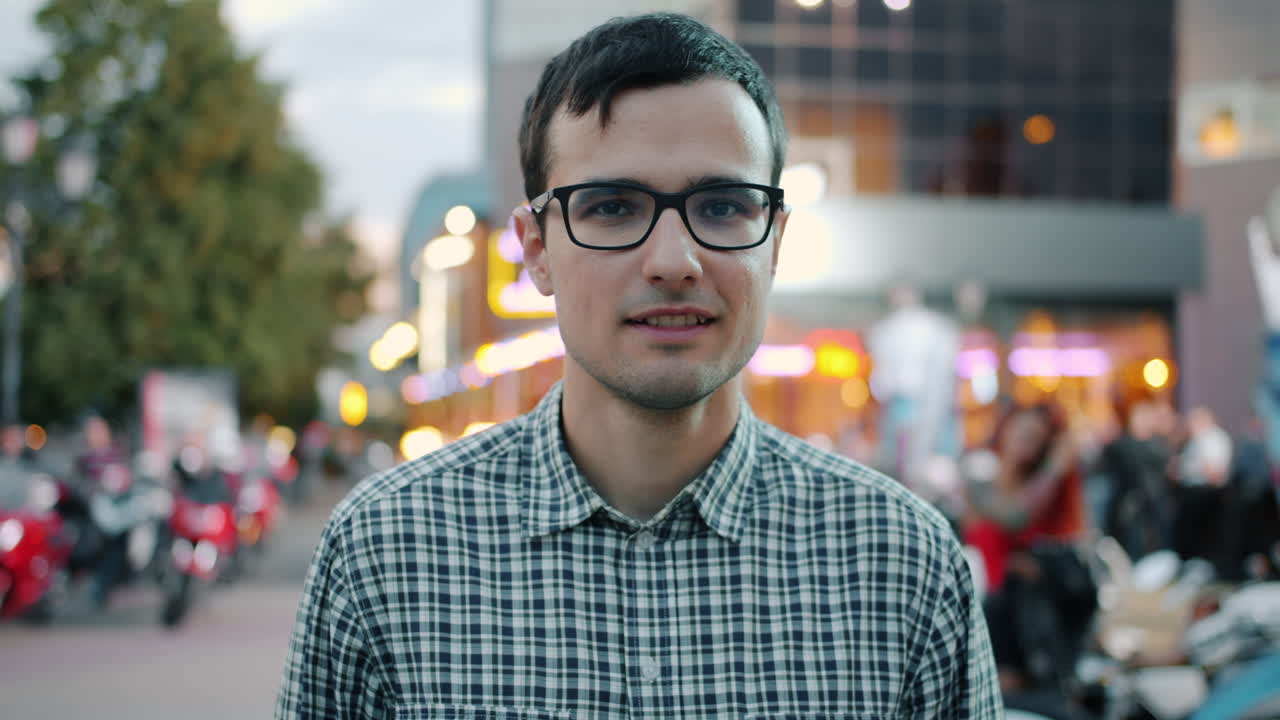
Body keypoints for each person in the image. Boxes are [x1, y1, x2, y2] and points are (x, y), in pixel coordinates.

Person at [278, 13, 998, 718]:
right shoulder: (385, 553)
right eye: (614, 207)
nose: (673, 261)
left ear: (774, 242)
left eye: (721, 206)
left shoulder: (905, 564)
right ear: (534, 249)